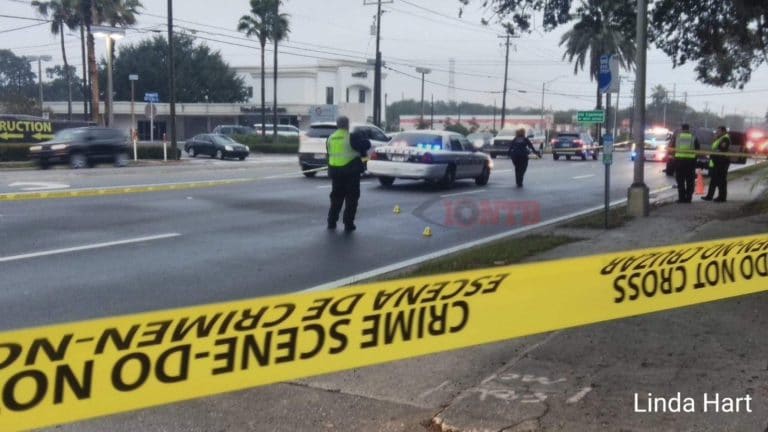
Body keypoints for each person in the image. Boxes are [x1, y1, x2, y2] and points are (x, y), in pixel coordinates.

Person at [326, 116, 370, 232]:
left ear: (337, 124)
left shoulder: (330, 138)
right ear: (347, 125)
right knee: (351, 198)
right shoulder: (352, 136)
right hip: (350, 172)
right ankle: (348, 223)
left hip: (335, 172)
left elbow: (329, 153)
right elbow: (366, 145)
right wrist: (364, 136)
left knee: (336, 197)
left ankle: (331, 221)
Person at [668, 123, 700, 203]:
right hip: (690, 162)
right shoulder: (693, 137)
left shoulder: (677, 137)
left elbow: (671, 148)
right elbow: (697, 150)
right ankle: (688, 198)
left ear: (681, 129)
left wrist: (673, 157)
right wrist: (695, 159)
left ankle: (681, 198)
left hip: (679, 161)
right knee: (690, 181)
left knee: (680, 181)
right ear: (688, 129)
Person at [702, 126, 731, 202]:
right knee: (714, 180)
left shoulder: (725, 138)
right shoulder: (719, 138)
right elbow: (715, 148)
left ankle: (722, 197)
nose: (717, 132)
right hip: (717, 161)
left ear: (723, 131)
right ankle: (709, 196)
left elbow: (722, 149)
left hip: (722, 162)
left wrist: (714, 152)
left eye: (719, 131)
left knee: (721, 180)